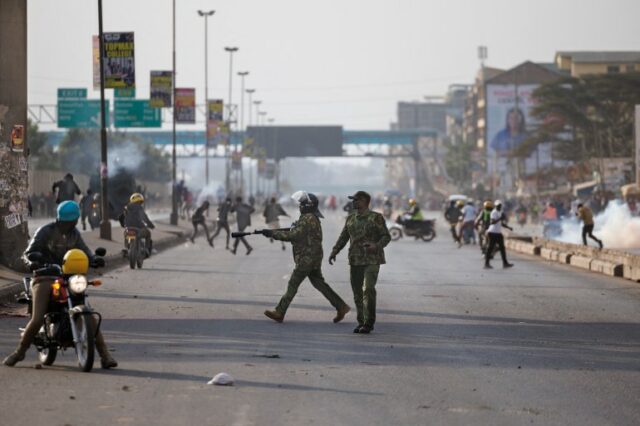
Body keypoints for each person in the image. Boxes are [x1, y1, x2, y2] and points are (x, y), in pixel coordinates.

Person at [2, 201, 117, 369]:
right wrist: (32, 261)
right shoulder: (45, 231)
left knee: (89, 314)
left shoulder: (74, 234)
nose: (71, 224)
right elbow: (28, 252)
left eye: (72, 221)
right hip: (45, 277)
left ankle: (105, 355)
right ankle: (19, 352)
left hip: (69, 278)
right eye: (69, 221)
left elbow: (84, 251)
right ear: (62, 219)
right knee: (37, 318)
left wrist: (93, 260)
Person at [263, 191, 351, 324]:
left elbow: (294, 235)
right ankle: (341, 306)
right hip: (314, 256)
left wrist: (273, 234)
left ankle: (280, 312)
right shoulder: (311, 218)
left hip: (307, 258)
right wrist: (277, 232)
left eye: (302, 204)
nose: (300, 206)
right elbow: (298, 232)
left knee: (293, 283)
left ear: (308, 205)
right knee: (320, 284)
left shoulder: (307, 218)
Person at [329, 191, 391, 334]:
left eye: (357, 200)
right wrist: (334, 251)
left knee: (368, 289)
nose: (354, 202)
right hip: (355, 259)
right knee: (357, 293)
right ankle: (361, 322)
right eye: (353, 200)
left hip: (372, 259)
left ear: (365, 202)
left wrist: (376, 246)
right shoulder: (350, 218)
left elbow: (386, 236)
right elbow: (343, 237)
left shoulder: (376, 217)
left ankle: (369, 323)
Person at [484, 200, 514, 269]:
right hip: (492, 233)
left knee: (502, 248)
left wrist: (508, 227)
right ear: (495, 206)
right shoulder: (494, 212)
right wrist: (500, 218)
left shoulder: (499, 212)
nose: (499, 207)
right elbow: (492, 222)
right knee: (490, 248)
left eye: (500, 205)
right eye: (498, 206)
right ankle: (486, 263)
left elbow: (500, 223)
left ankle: (505, 263)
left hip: (498, 233)